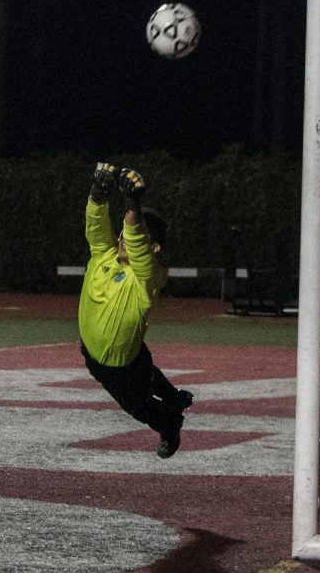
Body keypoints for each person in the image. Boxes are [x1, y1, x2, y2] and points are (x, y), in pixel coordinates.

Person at [78, 162, 194, 458]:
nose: (121, 239)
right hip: (103, 354)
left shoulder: (147, 277)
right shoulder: (103, 254)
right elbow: (96, 227)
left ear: (153, 247)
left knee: (137, 404)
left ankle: (170, 423)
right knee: (143, 368)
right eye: (122, 234)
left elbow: (137, 243)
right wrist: (98, 195)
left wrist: (132, 203)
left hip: (115, 364)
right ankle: (174, 396)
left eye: (130, 236)